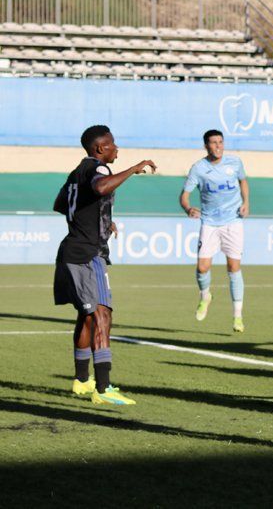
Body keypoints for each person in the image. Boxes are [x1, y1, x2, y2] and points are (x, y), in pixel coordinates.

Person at [53, 125, 156, 405]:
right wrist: (134, 169)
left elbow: (61, 204)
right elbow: (100, 187)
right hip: (88, 254)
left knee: (86, 315)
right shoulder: (99, 170)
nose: (116, 148)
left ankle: (81, 382)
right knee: (102, 315)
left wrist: (98, 216)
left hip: (70, 251)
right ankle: (104, 388)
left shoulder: (76, 173)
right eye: (112, 144)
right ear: (100, 148)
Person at [180, 129, 250, 333]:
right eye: (213, 142)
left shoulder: (235, 163)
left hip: (233, 222)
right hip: (209, 222)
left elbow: (243, 181)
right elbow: (184, 195)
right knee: (202, 267)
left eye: (220, 141)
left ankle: (238, 316)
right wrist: (188, 208)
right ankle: (205, 296)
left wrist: (246, 202)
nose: (218, 145)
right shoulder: (199, 169)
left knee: (233, 267)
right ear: (206, 146)